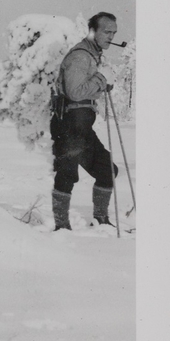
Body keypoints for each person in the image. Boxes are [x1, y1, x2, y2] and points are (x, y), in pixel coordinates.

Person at [49, 12, 120, 230]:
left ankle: (101, 220)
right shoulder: (80, 56)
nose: (111, 36)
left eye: (114, 32)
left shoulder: (91, 55)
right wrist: (101, 79)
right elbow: (75, 91)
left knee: (107, 169)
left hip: (81, 124)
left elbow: (83, 90)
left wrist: (101, 84)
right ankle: (61, 227)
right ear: (92, 31)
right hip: (68, 123)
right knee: (67, 174)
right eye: (106, 31)